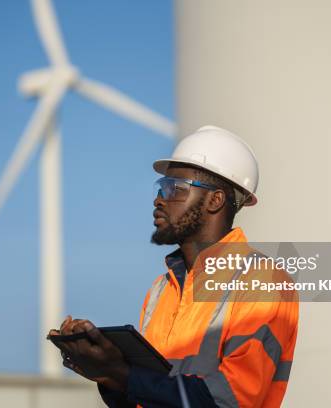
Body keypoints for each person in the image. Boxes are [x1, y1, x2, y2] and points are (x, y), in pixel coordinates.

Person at [48, 126, 299, 407]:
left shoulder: (264, 282)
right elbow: (149, 396)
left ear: (215, 200)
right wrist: (105, 374)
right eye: (161, 188)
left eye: (174, 189)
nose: (159, 199)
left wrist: (123, 375)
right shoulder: (161, 289)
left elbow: (231, 399)